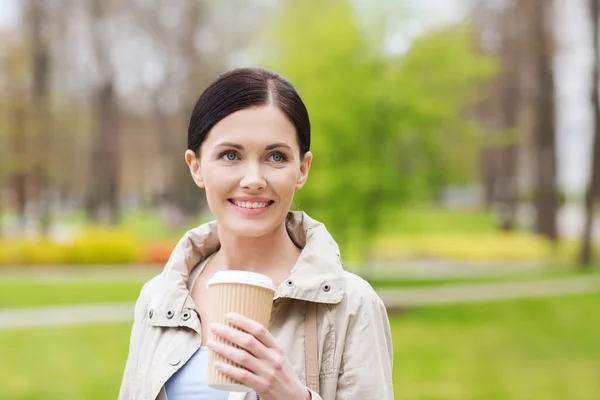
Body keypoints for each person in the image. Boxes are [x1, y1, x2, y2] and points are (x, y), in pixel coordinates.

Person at [118, 67, 394, 400]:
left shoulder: (351, 305)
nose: (253, 179)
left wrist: (292, 395)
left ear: (302, 169)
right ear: (196, 167)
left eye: (275, 156)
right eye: (230, 155)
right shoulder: (159, 299)